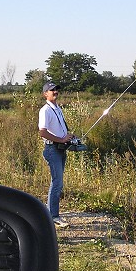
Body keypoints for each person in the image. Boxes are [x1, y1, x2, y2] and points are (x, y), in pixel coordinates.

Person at [38, 82, 74, 228]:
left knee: (57, 182)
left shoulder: (57, 109)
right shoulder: (45, 110)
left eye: (56, 90)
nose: (55, 92)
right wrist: (61, 139)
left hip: (60, 148)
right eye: (52, 90)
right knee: (57, 182)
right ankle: (53, 216)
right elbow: (42, 132)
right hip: (52, 149)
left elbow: (59, 128)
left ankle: (51, 213)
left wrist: (68, 136)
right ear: (45, 94)